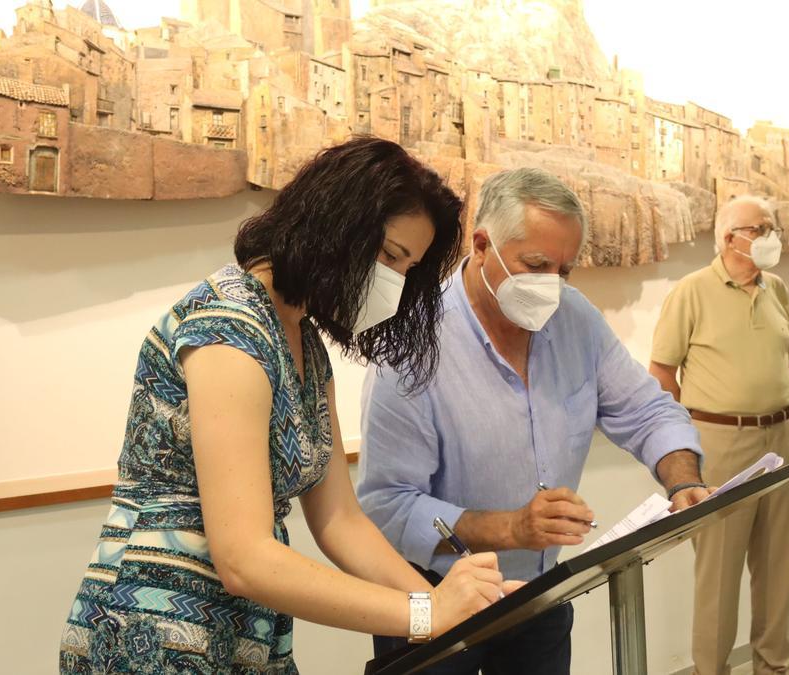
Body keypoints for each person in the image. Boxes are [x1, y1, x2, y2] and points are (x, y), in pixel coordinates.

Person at [58, 137, 520, 675]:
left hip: (242, 630)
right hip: (153, 628)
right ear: (337, 224)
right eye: (391, 256)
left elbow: (340, 520)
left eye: (409, 268)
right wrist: (423, 612)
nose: (394, 281)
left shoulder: (302, 340)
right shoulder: (229, 328)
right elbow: (244, 557)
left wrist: (448, 612)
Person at [357, 167, 708, 674]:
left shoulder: (575, 319)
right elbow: (388, 506)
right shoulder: (411, 344)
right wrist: (512, 528)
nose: (551, 286)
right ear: (481, 245)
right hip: (432, 595)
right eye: (536, 264)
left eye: (563, 271)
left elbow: (646, 409)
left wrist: (684, 481)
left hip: (538, 595)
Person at [649, 195, 789, 675]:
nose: (769, 237)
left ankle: (773, 666)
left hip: (784, 436)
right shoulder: (691, 291)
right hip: (720, 442)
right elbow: (661, 375)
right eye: (759, 229)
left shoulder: (776, 289)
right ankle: (711, 670)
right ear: (728, 237)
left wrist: (768, 411)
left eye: (771, 227)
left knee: (777, 563)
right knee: (717, 571)